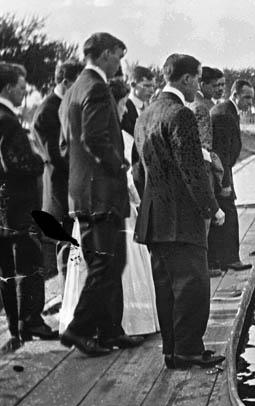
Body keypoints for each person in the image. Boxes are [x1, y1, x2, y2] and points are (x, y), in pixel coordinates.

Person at [134, 53, 225, 369]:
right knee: (193, 287)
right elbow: (191, 171)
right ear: (186, 79)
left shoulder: (145, 116)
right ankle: (189, 351)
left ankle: (173, 350)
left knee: (166, 288)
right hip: (182, 218)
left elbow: (138, 170)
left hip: (154, 217)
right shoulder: (180, 115)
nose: (198, 86)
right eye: (198, 79)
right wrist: (212, 209)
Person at [58, 32, 141, 356]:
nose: (119, 64)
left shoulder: (72, 92)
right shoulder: (95, 88)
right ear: (106, 54)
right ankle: (78, 329)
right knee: (107, 265)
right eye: (118, 57)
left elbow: (68, 146)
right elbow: (94, 138)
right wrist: (118, 165)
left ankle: (109, 331)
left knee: (107, 263)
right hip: (101, 194)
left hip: (83, 194)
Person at [60, 79, 159, 337]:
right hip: (112, 208)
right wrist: (138, 202)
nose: (126, 111)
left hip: (89, 207)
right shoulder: (116, 138)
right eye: (124, 104)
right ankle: (121, 323)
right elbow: (125, 179)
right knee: (114, 267)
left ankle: (105, 327)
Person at [0, 62, 57, 344]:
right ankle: (31, 320)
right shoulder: (8, 121)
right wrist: (38, 160)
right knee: (29, 263)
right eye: (22, 87)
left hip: (5, 208)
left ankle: (16, 323)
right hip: (20, 206)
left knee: (8, 271)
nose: (24, 92)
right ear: (9, 87)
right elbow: (20, 163)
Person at [32, 60, 84, 284]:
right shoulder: (47, 112)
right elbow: (57, 156)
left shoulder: (70, 105)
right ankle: (67, 302)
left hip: (74, 189)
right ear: (65, 82)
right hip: (60, 192)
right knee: (66, 248)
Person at [210, 79, 253, 271]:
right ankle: (230, 259)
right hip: (221, 174)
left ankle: (222, 258)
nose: (249, 102)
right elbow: (221, 151)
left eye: (251, 98)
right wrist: (225, 182)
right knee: (229, 213)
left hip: (223, 171)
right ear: (235, 94)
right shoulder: (224, 114)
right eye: (246, 97)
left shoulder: (228, 111)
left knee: (224, 214)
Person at [189, 66, 225, 277]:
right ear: (203, 84)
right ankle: (204, 266)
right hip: (205, 167)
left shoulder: (196, 104)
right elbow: (203, 146)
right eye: (215, 85)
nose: (217, 89)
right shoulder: (201, 107)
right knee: (206, 218)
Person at [120, 65, 155, 197]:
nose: (151, 90)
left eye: (153, 86)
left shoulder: (150, 108)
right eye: (146, 86)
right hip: (131, 172)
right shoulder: (124, 109)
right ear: (133, 85)